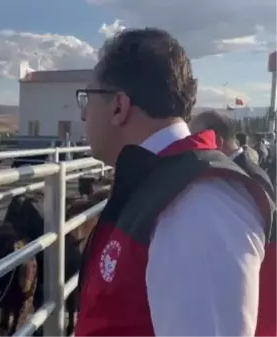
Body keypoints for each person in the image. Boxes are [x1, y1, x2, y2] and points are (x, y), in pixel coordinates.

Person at [76, 27, 275, 337]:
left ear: (119, 106)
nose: (84, 114)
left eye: (87, 98)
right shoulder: (163, 185)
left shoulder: (196, 203)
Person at [189, 110, 275, 200]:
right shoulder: (230, 172)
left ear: (217, 142)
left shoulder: (252, 179)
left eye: (196, 141)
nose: (192, 149)